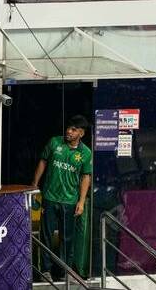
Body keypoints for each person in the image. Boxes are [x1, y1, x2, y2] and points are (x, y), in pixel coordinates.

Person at [31, 115, 92, 281]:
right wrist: (35, 185)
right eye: (68, 128)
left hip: (70, 201)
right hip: (50, 198)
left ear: (81, 133)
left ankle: (64, 272)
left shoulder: (85, 153)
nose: (68, 131)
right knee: (47, 235)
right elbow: (43, 162)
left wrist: (81, 202)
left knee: (67, 238)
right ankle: (45, 271)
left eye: (73, 129)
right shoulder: (54, 142)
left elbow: (86, 177)